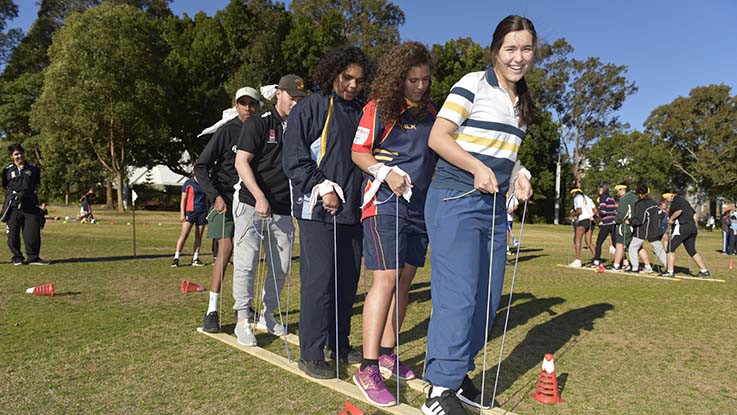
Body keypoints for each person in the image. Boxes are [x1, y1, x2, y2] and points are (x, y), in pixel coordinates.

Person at [421, 15, 534, 415]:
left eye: (526, 49)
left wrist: (520, 176)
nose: (519, 57)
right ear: (496, 51)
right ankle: (438, 389)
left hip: (493, 207)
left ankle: (458, 374)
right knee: (459, 297)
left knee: (486, 300)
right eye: (511, 49)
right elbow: (439, 137)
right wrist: (475, 167)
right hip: (455, 198)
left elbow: (508, 155)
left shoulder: (522, 103)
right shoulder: (473, 83)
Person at [350, 41, 436, 406]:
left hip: (419, 210)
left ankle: (387, 352)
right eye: (412, 79)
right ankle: (367, 367)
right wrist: (385, 172)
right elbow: (358, 152)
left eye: (425, 79)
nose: (419, 86)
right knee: (383, 280)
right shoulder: (378, 108)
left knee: (403, 283)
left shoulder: (434, 113)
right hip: (384, 204)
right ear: (399, 78)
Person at [282, 46, 373, 379]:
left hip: (353, 213)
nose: (352, 85)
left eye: (359, 80)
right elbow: (293, 158)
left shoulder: (363, 112)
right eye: (346, 77)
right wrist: (322, 186)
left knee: (347, 284)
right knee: (319, 284)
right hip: (317, 211)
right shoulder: (311, 107)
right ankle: (311, 353)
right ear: (333, 73)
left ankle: (339, 343)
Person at [231, 74, 306, 346]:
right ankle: (242, 319)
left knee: (281, 266)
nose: (295, 103)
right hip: (252, 204)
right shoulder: (258, 124)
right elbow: (241, 162)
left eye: (300, 99)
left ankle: (268, 315)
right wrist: (259, 196)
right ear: (278, 94)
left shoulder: (300, 126)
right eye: (291, 97)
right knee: (246, 263)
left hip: (284, 208)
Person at [194, 86, 261, 333]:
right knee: (225, 251)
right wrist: (215, 196)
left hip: (251, 201)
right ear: (236, 106)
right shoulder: (226, 132)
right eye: (242, 103)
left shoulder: (263, 130)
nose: (247, 108)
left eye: (252, 103)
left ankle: (243, 307)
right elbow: (200, 166)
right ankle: (212, 310)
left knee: (249, 255)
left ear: (258, 107)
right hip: (226, 201)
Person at [1, 144, 49, 265]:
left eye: (21, 153)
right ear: (12, 156)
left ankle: (33, 258)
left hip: (30, 205)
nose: (19, 156)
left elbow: (38, 186)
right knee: (12, 235)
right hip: (13, 206)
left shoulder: (33, 168)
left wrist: (42, 204)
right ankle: (17, 258)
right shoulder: (7, 170)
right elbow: (5, 187)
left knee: (32, 233)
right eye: (16, 154)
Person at [661, 191, 711, 277]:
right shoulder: (684, 201)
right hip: (692, 228)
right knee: (691, 250)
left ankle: (670, 272)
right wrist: (693, 225)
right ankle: (704, 270)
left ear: (671, 195)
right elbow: (694, 214)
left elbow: (679, 211)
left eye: (666, 198)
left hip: (682, 227)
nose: (667, 200)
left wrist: (671, 219)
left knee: (670, 247)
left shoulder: (676, 201)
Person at [628, 183, 666, 274]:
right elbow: (661, 214)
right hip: (655, 229)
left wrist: (630, 221)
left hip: (643, 230)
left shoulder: (640, 204)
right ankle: (669, 267)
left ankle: (634, 267)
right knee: (658, 249)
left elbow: (640, 219)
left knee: (632, 247)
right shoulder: (653, 202)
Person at [171, 176, 207, 267]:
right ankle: (176, 257)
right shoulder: (188, 183)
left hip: (202, 212)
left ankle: (195, 258)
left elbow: (206, 198)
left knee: (199, 236)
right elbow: (183, 199)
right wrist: (182, 213)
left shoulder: (204, 182)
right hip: (190, 211)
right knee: (184, 234)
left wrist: (206, 211)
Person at [591, 182, 616, 267]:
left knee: (599, 242)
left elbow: (603, 212)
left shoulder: (603, 198)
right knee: (616, 243)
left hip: (607, 223)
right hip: (613, 223)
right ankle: (623, 262)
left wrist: (594, 216)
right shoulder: (611, 198)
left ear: (602, 189)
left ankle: (596, 261)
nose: (598, 190)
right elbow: (614, 211)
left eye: (600, 188)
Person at [569, 187, 595, 267]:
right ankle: (596, 259)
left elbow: (579, 211)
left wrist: (572, 215)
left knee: (577, 239)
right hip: (591, 220)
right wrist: (591, 216)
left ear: (574, 193)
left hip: (583, 220)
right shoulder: (588, 198)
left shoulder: (577, 198)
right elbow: (595, 210)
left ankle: (577, 260)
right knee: (588, 241)